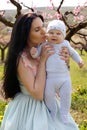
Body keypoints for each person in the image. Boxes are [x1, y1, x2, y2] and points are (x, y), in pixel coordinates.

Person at [0, 13, 79, 130]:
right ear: (26, 34)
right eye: (37, 29)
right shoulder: (22, 58)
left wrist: (66, 64)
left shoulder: (45, 48)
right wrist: (42, 61)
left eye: (43, 26)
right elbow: (37, 94)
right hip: (29, 110)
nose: (43, 31)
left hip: (51, 104)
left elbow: (58, 80)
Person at [30, 19, 84, 124]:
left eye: (58, 33)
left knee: (66, 96)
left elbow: (73, 53)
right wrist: (34, 53)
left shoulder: (65, 44)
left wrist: (79, 61)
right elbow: (37, 55)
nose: (54, 35)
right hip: (50, 78)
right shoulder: (44, 45)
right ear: (47, 34)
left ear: (63, 35)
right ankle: (52, 109)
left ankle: (64, 113)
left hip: (64, 78)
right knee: (48, 95)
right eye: (51, 33)